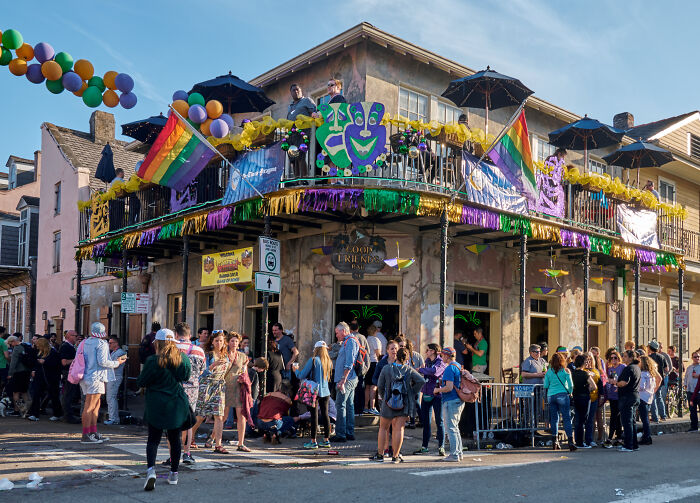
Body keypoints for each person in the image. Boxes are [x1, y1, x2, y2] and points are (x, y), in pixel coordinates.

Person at [137, 328, 191, 491]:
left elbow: (141, 381)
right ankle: (174, 473)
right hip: (175, 402)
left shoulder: (153, 360)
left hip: (156, 402)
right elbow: (185, 377)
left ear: (157, 343)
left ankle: (151, 470)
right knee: (175, 439)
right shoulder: (182, 358)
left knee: (153, 439)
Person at [370, 347, 424, 463]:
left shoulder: (387, 368)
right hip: (403, 402)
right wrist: (411, 392)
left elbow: (380, 385)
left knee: (383, 428)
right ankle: (395, 456)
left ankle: (380, 455)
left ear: (396, 357)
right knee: (399, 429)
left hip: (388, 402)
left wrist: (385, 396)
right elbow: (421, 381)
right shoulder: (409, 370)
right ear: (407, 358)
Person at [81, 322, 127, 444]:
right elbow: (103, 362)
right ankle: (87, 434)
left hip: (85, 376)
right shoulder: (101, 343)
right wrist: (117, 363)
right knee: (90, 406)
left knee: (94, 405)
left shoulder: (84, 342)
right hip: (96, 376)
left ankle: (92, 432)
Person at [191, 330, 230, 453]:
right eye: (217, 341)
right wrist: (213, 366)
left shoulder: (226, 355)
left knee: (219, 416)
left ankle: (218, 444)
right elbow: (201, 372)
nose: (219, 343)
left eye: (221, 341)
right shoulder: (208, 355)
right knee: (201, 415)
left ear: (224, 342)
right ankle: (190, 437)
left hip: (219, 386)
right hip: (206, 386)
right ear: (212, 342)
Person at [173, 322, 206, 465]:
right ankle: (187, 453)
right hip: (192, 389)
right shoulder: (198, 350)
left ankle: (172, 454)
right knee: (188, 422)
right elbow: (202, 370)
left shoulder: (172, 349)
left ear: (176, 334)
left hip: (174, 388)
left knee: (173, 422)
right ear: (190, 335)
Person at [295, 340, 333, 449]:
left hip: (314, 391)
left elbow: (302, 375)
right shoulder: (328, 361)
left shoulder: (314, 360)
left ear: (316, 349)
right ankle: (326, 440)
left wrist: (295, 370)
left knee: (314, 416)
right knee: (325, 414)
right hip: (326, 392)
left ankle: (313, 441)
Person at [414, 343, 446, 456]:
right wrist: (423, 370)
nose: (426, 352)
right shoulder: (427, 361)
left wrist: (422, 370)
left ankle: (441, 447)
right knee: (425, 422)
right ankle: (424, 446)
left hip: (437, 395)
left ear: (432, 351)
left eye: (427, 350)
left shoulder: (440, 362)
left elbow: (435, 372)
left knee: (439, 421)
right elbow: (428, 372)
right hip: (426, 393)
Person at [223, 332, 252, 452]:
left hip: (238, 387)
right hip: (225, 387)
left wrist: (244, 378)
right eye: (232, 341)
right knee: (222, 416)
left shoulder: (243, 356)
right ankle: (212, 438)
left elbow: (244, 371)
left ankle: (241, 443)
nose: (234, 343)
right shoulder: (223, 355)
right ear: (228, 342)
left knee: (242, 416)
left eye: (236, 341)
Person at [434, 347, 464, 462]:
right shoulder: (457, 366)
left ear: (446, 356)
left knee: (451, 428)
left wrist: (437, 390)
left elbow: (449, 387)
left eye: (442, 355)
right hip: (458, 400)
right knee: (455, 428)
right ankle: (459, 452)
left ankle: (454, 455)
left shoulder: (449, 368)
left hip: (451, 400)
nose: (441, 358)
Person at [330, 322, 359, 443]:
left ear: (343, 331)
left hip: (347, 379)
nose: (336, 335)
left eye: (337, 333)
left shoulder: (350, 341)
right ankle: (349, 432)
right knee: (349, 405)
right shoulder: (349, 341)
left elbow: (349, 362)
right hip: (350, 378)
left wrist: (343, 379)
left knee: (340, 405)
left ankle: (341, 434)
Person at [543, 352, 575, 451]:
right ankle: (570, 441)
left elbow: (546, 385)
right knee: (566, 418)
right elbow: (571, 385)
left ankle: (555, 441)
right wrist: (570, 392)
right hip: (562, 395)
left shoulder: (549, 372)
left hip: (551, 396)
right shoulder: (566, 371)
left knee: (554, 419)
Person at [27, 337, 63, 421]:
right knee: (36, 394)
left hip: (51, 377)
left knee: (54, 395)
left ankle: (57, 413)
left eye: (38, 345)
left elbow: (57, 365)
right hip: (40, 376)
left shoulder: (53, 353)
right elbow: (36, 363)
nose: (37, 347)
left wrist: (45, 362)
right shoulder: (40, 352)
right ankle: (34, 414)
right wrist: (34, 369)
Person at [614, 350, 641, 452]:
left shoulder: (628, 368)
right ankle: (634, 444)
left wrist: (615, 383)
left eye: (625, 356)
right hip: (634, 396)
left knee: (627, 422)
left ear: (631, 358)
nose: (623, 358)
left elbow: (624, 382)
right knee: (632, 422)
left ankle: (628, 445)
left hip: (627, 397)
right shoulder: (636, 368)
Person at [571, 354, 596, 449]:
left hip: (575, 397)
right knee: (582, 420)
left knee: (577, 420)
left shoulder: (572, 373)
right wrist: (587, 389)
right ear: (583, 363)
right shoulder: (585, 374)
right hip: (584, 398)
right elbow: (594, 386)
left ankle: (577, 440)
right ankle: (580, 442)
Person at [603, 350, 626, 448]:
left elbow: (624, 380)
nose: (613, 360)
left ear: (619, 358)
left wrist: (617, 383)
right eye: (611, 358)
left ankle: (616, 437)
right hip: (612, 395)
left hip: (620, 395)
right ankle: (615, 437)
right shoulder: (610, 369)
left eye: (615, 358)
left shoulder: (623, 367)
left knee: (617, 416)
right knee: (614, 416)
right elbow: (609, 380)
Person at [6, 335, 32, 417]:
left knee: (16, 393)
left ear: (13, 341)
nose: (10, 345)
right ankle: (29, 409)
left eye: (10, 344)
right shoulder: (25, 346)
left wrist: (10, 374)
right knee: (24, 391)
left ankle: (21, 410)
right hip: (26, 372)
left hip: (18, 373)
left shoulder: (16, 349)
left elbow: (13, 363)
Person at [59, 330, 80, 423]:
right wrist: (77, 359)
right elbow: (64, 362)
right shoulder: (66, 347)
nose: (77, 338)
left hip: (70, 372)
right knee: (68, 394)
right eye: (75, 336)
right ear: (69, 336)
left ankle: (67, 415)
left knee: (69, 394)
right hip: (68, 373)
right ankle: (67, 416)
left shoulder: (70, 346)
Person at [638, 355, 660, 446]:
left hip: (642, 397)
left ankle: (646, 436)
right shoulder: (651, 374)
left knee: (644, 419)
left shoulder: (643, 374)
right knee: (646, 418)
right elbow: (654, 386)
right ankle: (647, 436)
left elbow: (641, 387)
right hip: (648, 397)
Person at [104, 336, 126, 425]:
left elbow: (115, 365)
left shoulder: (121, 353)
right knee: (110, 397)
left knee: (111, 397)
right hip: (111, 376)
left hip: (115, 377)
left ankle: (113, 418)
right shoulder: (113, 352)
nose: (109, 345)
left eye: (111, 343)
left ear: (116, 343)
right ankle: (114, 418)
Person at [583, 353, 602, 447]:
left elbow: (600, 384)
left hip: (594, 398)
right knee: (582, 420)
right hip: (583, 398)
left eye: (590, 359)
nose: (588, 362)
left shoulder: (596, 371)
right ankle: (581, 440)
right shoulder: (581, 371)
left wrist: (601, 396)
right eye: (586, 360)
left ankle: (589, 439)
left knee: (591, 420)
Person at [589, 347, 607, 444]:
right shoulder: (600, 371)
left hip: (595, 396)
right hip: (599, 396)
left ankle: (593, 438)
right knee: (598, 417)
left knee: (593, 418)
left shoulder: (595, 372)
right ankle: (599, 438)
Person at [364, 324, 383, 415]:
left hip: (368, 363)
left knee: (367, 386)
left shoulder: (367, 339)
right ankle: (372, 407)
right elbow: (378, 353)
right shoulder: (375, 340)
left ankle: (366, 407)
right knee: (374, 386)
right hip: (374, 363)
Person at [647, 340, 667, 422]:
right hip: (661, 380)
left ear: (650, 348)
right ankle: (663, 416)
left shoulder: (649, 358)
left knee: (653, 398)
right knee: (659, 397)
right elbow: (667, 369)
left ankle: (655, 417)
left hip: (653, 380)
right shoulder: (662, 357)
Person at [684, 350, 700, 432]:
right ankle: (694, 426)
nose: (697, 358)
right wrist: (685, 385)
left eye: (698, 357)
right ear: (692, 358)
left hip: (699, 392)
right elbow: (686, 377)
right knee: (692, 410)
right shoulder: (689, 368)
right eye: (695, 357)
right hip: (690, 391)